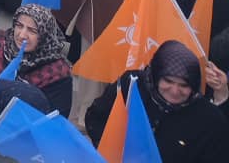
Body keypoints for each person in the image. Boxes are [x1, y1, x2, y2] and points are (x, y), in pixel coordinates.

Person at [85, 39, 228, 162]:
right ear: (155, 76)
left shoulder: (208, 120)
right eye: (168, 81)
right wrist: (112, 152)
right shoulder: (132, 87)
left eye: (184, 85)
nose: (175, 91)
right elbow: (97, 119)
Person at [0, 4, 72, 131]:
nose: (22, 35)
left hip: (17, 141)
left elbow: (54, 122)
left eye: (32, 31)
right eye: (19, 25)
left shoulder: (57, 72)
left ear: (45, 35)